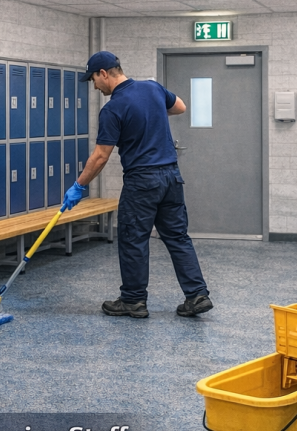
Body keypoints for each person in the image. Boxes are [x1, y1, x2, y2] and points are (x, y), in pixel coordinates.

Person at [63, 51, 212, 319]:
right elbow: (180, 107)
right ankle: (197, 295)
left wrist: (79, 185)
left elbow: (100, 156)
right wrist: (151, 111)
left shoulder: (112, 108)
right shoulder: (152, 88)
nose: (95, 86)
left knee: (133, 239)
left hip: (142, 181)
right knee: (177, 237)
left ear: (104, 74)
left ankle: (132, 300)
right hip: (171, 176)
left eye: (94, 80)